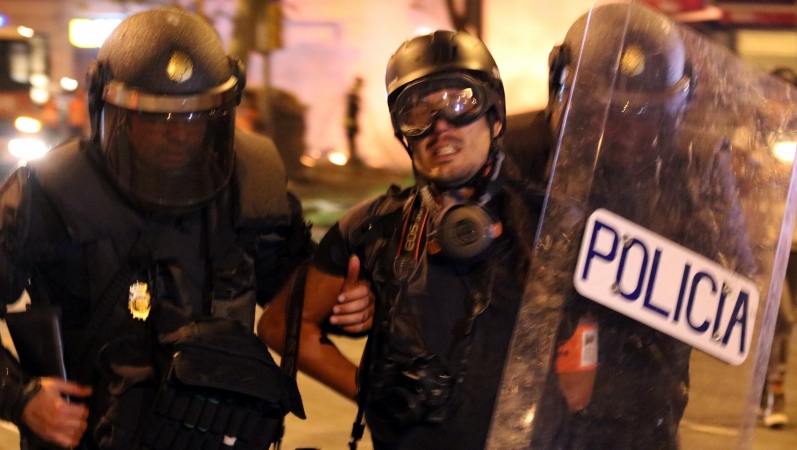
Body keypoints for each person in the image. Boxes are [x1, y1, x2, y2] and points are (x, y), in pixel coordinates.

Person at [0, 7, 371, 450]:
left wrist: (346, 306)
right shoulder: (49, 191)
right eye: (158, 117)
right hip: (89, 437)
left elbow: (294, 298)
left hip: (215, 434)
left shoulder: (252, 184)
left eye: (197, 116)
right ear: (111, 110)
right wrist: (20, 397)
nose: (179, 134)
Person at [260, 30, 542, 450]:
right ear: (402, 133)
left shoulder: (552, 222)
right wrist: (370, 392)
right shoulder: (372, 226)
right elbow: (281, 324)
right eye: (419, 112)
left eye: (459, 102)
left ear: (495, 116)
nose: (440, 127)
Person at [513, 3, 757, 449]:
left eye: (648, 115)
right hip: (525, 400)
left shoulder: (695, 164)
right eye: (606, 112)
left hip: (642, 404)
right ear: (564, 93)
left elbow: (730, 287)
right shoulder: (517, 152)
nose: (627, 131)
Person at [760, 66, 797, 428]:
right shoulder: (751, 135)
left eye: (789, 95)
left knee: (785, 324)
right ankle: (772, 393)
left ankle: (770, 388)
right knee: (779, 318)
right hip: (768, 242)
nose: (781, 103)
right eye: (775, 94)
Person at [344, 76, 364, 165]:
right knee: (351, 140)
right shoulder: (353, 97)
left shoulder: (354, 97)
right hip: (350, 122)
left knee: (351, 140)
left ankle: (353, 157)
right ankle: (352, 158)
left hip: (351, 122)